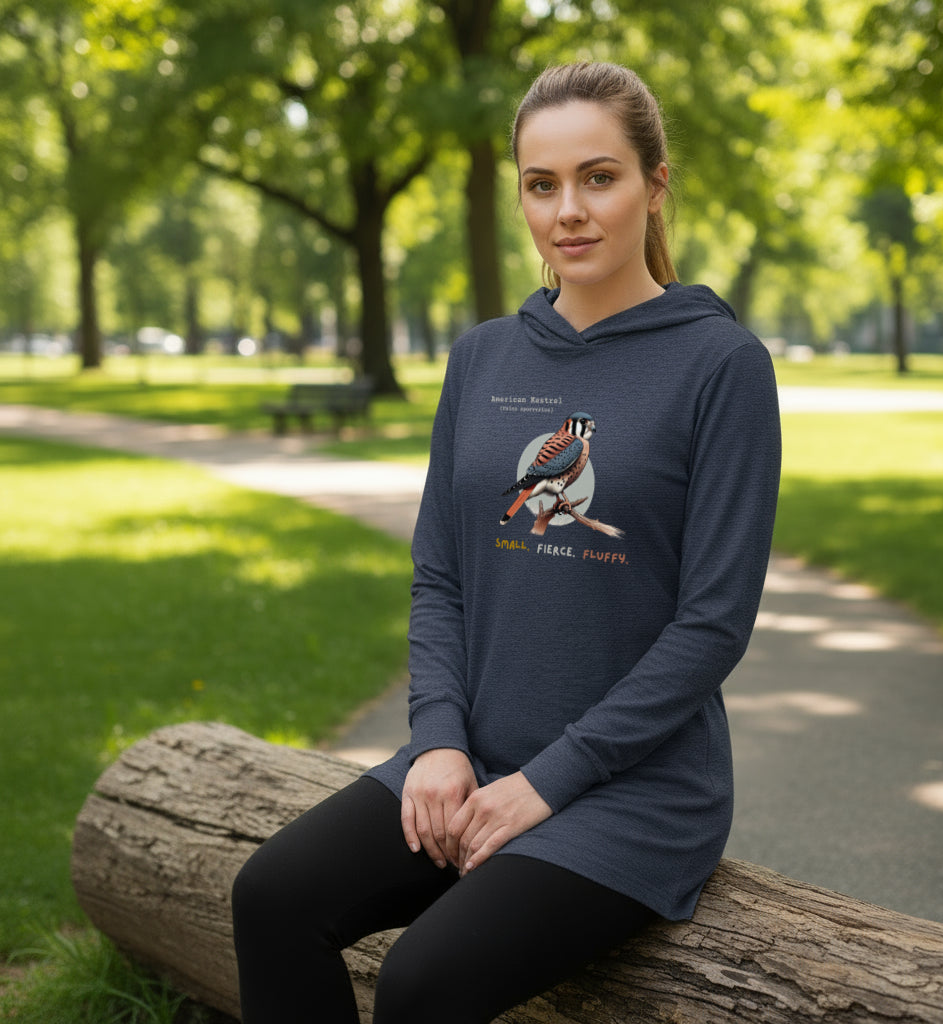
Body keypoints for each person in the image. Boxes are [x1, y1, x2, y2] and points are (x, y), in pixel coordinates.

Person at [231, 60, 781, 1023]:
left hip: (633, 790)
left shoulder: (721, 365)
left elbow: (712, 626)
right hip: (471, 758)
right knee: (272, 898)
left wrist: (546, 784)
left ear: (654, 186)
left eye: (598, 177)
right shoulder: (482, 356)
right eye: (542, 184)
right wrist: (439, 743)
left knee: (421, 983)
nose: (568, 209)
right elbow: (440, 573)